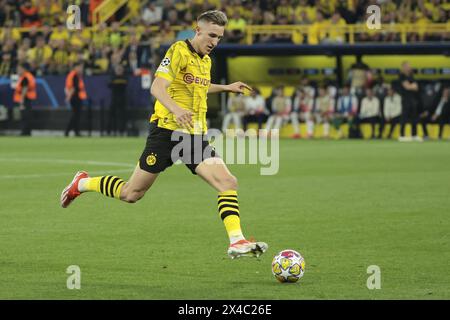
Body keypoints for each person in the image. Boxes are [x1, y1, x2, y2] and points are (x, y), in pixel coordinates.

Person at [60, 10, 268, 259]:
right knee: (131, 194)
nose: (214, 41)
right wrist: (177, 109)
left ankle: (237, 241)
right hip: (166, 132)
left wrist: (225, 87)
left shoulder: (206, 61)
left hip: (192, 137)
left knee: (227, 182)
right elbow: (158, 87)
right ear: (198, 30)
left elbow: (198, 86)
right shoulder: (178, 50)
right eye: (211, 35)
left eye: (220, 37)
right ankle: (81, 183)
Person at [398, 61, 422, 142]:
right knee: (404, 117)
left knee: (414, 117)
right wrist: (412, 86)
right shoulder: (401, 76)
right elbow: (407, 87)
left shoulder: (411, 75)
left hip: (413, 99)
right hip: (405, 99)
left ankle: (414, 135)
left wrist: (411, 86)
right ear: (403, 67)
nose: (409, 67)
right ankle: (402, 135)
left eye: (409, 66)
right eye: (407, 66)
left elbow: (416, 87)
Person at [13, 63, 37, 136]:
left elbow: (24, 89)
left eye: (19, 69)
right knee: (27, 116)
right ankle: (27, 132)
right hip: (27, 99)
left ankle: (25, 132)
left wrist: (21, 100)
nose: (18, 70)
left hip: (25, 99)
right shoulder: (27, 76)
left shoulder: (25, 77)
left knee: (25, 116)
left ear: (24, 69)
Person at [64, 62, 87, 137]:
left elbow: (67, 87)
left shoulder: (74, 75)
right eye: (80, 67)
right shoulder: (74, 75)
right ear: (76, 67)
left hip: (76, 96)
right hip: (75, 97)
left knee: (77, 115)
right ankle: (68, 131)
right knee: (75, 115)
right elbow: (73, 87)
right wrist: (69, 97)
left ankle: (76, 131)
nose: (81, 69)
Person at [107, 64, 128, 136]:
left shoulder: (124, 77)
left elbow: (125, 83)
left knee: (121, 116)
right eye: (118, 69)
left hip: (122, 99)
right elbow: (109, 84)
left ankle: (121, 131)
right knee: (111, 115)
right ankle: (109, 131)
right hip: (114, 99)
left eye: (120, 69)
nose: (119, 71)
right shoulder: (112, 77)